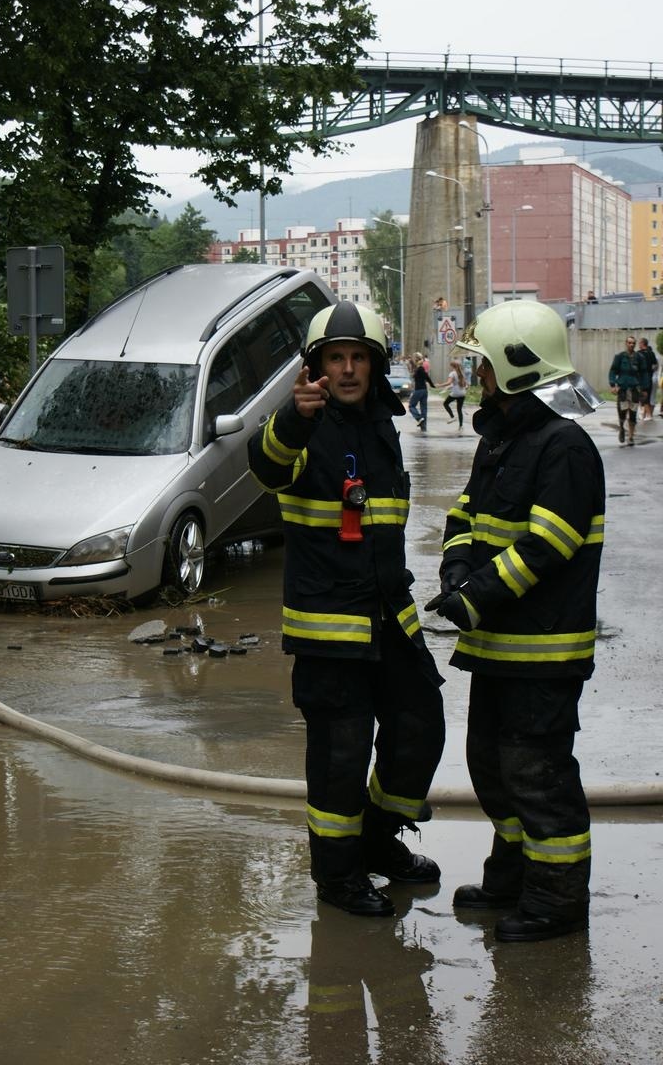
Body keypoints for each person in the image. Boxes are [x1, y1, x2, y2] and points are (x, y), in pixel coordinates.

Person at [248, 302, 445, 918]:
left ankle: (378, 841)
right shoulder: (305, 426)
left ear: (376, 365)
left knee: (420, 726)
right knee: (341, 757)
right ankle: (338, 878)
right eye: (337, 358)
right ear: (317, 368)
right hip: (329, 630)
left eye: (359, 357)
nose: (349, 369)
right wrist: (291, 419)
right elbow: (268, 464)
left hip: (388, 616)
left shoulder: (383, 425)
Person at [425, 300, 605, 943]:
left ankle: (557, 902)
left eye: (484, 364)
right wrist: (454, 572)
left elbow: (547, 545)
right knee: (492, 768)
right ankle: (512, 877)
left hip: (543, 651)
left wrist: (476, 596)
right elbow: (465, 519)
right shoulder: (503, 437)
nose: (477, 375)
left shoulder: (564, 446)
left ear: (517, 365)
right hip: (500, 646)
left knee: (539, 778)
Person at [608, 334, 643, 445]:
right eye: (629, 342)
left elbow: (644, 374)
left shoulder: (639, 358)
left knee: (633, 413)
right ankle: (622, 428)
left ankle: (631, 437)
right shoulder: (619, 357)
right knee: (622, 412)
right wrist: (613, 385)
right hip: (622, 389)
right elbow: (613, 371)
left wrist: (645, 389)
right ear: (626, 343)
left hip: (634, 390)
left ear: (635, 344)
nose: (631, 345)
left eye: (633, 343)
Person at [408, 351, 435, 432]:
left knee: (411, 406)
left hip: (418, 390)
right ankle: (423, 427)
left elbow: (426, 377)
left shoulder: (419, 369)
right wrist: (432, 385)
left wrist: (432, 384)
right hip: (424, 391)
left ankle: (419, 418)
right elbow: (427, 377)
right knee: (424, 408)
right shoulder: (420, 368)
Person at [441, 359, 467, 430]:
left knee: (445, 403)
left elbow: (449, 382)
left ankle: (452, 416)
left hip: (455, 393)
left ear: (452, 366)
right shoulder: (462, 373)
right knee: (459, 409)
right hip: (462, 393)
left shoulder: (452, 373)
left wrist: (440, 385)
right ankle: (461, 426)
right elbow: (465, 384)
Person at [637, 337, 657, 421]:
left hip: (642, 378)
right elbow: (655, 365)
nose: (638, 345)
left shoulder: (639, 354)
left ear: (642, 344)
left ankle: (648, 415)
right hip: (649, 377)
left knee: (643, 397)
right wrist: (651, 371)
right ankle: (644, 414)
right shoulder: (651, 353)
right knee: (647, 396)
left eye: (639, 343)